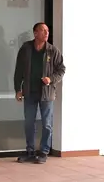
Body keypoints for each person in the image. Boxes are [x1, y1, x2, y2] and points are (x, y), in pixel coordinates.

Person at [13, 22, 66, 164]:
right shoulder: (26, 49)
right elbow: (19, 70)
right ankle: (30, 151)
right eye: (43, 30)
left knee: (47, 123)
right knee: (29, 122)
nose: (46, 33)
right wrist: (18, 89)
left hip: (47, 93)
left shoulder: (52, 51)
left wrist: (51, 79)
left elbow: (61, 69)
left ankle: (43, 152)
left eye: (47, 30)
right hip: (30, 91)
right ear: (35, 33)